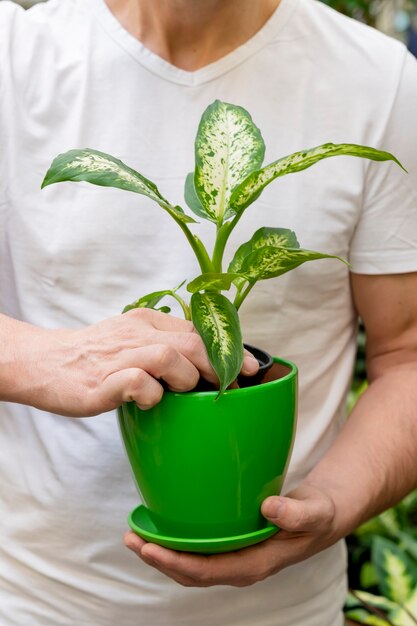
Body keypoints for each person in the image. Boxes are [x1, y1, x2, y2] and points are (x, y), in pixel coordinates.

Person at [1, 0, 417, 624]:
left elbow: (406, 355)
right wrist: (40, 357)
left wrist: (331, 504)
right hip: (35, 603)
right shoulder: (14, 53)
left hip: (290, 612)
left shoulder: (380, 80)